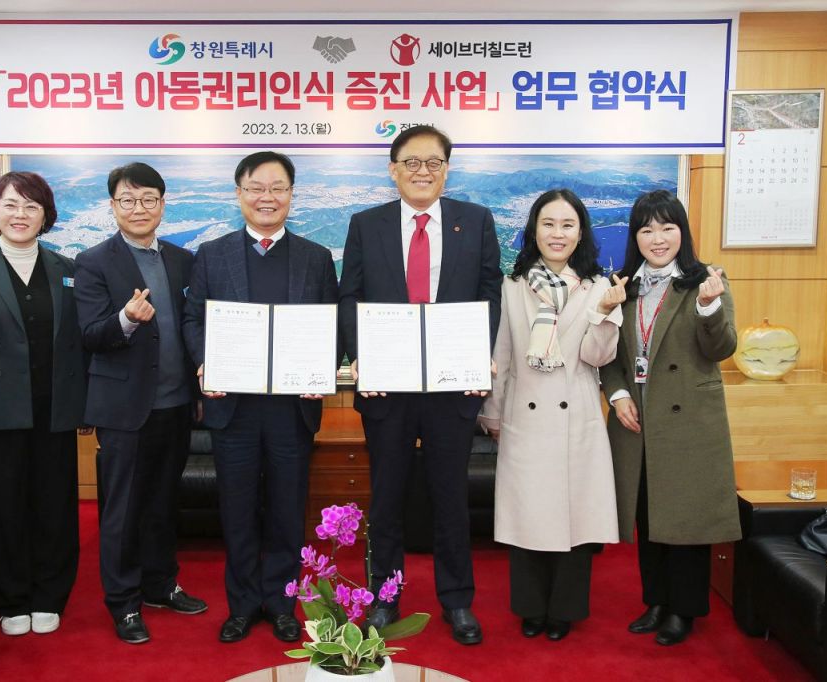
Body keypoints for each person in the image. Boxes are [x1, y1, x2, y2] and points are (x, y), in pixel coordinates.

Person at [338, 125, 502, 645]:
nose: (422, 171)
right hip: (387, 387)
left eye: (434, 162)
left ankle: (457, 600)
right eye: (411, 162)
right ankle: (384, 598)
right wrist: (362, 355)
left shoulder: (475, 220)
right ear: (393, 170)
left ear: (447, 170)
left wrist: (478, 352)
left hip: (451, 386)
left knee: (450, 497)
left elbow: (489, 290)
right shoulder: (366, 224)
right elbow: (350, 295)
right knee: (386, 497)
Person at [182, 151, 339, 644]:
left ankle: (282, 603)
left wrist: (323, 368)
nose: (266, 198)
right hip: (234, 409)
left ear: (291, 195)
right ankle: (244, 604)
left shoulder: (316, 257)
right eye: (256, 188)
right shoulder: (213, 254)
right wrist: (204, 361)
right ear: (239, 194)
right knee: (239, 511)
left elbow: (332, 324)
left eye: (277, 188)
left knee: (288, 512)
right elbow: (193, 318)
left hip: (293, 409)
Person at [479, 189, 625, 641]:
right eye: (548, 224)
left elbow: (597, 357)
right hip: (524, 415)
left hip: (576, 416)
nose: (557, 233)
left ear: (580, 233)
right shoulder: (512, 286)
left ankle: (564, 610)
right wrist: (493, 414)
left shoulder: (599, 286)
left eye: (567, 225)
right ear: (534, 230)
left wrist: (605, 314)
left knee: (574, 519)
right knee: (527, 516)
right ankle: (530, 607)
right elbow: (502, 353)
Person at [0, 171, 86, 636]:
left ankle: (49, 594)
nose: (20, 214)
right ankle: (11, 599)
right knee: (5, 504)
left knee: (55, 504)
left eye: (31, 206)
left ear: (46, 215)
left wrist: (84, 405)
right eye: (10, 204)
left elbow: (77, 343)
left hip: (53, 406)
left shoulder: (66, 268)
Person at [73, 162, 207, 645]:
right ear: (113, 206)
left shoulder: (183, 259)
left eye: (148, 199)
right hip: (124, 408)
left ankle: (160, 584)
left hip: (176, 404)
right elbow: (89, 334)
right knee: (123, 510)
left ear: (163, 205)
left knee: (163, 503)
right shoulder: (92, 262)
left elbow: (194, 326)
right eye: (127, 200)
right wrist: (126, 319)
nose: (139, 208)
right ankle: (124, 602)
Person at [600, 189, 741, 646]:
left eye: (667, 227)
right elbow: (609, 354)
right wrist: (618, 394)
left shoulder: (707, 281)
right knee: (648, 512)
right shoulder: (624, 286)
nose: (657, 238)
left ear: (682, 231)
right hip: (637, 419)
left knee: (686, 515)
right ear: (635, 237)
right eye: (646, 229)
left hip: (688, 419)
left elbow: (721, 349)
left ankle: (685, 609)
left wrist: (709, 308)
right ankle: (656, 601)